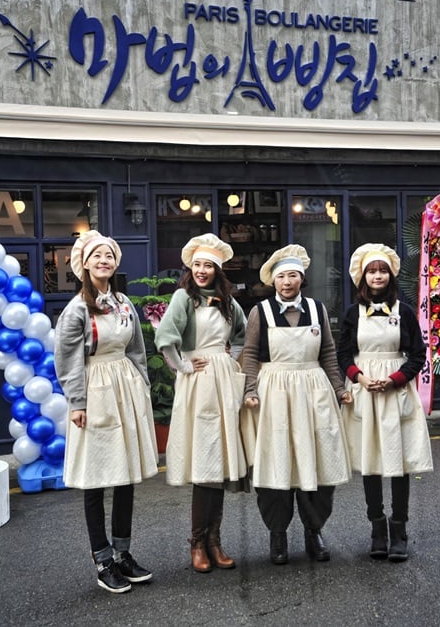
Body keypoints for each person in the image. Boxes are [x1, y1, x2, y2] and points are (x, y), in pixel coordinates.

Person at [54, 230, 159, 593]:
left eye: (109, 256)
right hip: (95, 389)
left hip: (125, 388)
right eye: (97, 256)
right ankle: (102, 560)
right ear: (84, 264)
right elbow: (67, 359)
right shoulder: (76, 309)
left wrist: (141, 386)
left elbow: (137, 350)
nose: (104, 261)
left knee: (125, 474)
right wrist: (77, 403)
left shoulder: (123, 303)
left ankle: (122, 553)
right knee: (97, 477)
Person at [241, 245, 352, 565]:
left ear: (302, 279)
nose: (287, 282)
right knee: (276, 463)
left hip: (313, 391)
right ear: (272, 281)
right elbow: (250, 354)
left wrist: (339, 388)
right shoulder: (260, 312)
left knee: (317, 462)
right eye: (281, 277)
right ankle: (277, 533)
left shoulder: (317, 310)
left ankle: (313, 530)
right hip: (274, 393)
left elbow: (328, 352)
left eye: (293, 276)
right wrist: (250, 389)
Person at [154, 233, 248, 573]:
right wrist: (182, 365)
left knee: (218, 463)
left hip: (222, 381)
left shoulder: (228, 302)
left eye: (208, 265)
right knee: (205, 462)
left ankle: (214, 540)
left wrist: (231, 360)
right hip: (198, 382)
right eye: (197, 265)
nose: (202, 271)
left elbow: (242, 334)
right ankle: (197, 541)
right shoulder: (184, 298)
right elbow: (165, 337)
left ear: (218, 270)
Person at [337, 243, 433, 562]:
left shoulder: (403, 312)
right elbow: (343, 354)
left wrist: (395, 379)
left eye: (382, 271)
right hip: (365, 390)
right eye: (371, 271)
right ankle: (377, 528)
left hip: (395, 391)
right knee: (371, 462)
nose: (377, 276)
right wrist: (360, 378)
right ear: (362, 277)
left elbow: (418, 354)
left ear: (390, 276)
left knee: (398, 462)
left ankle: (399, 530)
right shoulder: (352, 314)